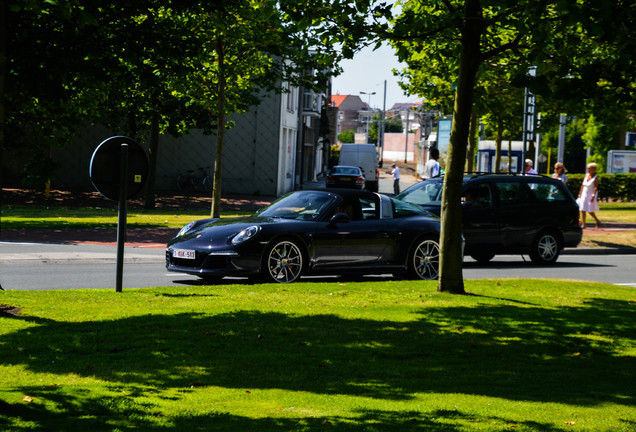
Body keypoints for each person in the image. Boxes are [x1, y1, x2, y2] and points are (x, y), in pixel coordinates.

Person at [577, 162, 601, 229]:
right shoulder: (586, 175)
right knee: (582, 209)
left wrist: (593, 195)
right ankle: (584, 224)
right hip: (584, 193)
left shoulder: (596, 177)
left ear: (593, 169)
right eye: (587, 168)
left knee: (590, 210)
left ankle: (597, 220)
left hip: (590, 193)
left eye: (589, 168)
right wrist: (580, 194)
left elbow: (596, 187)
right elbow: (582, 185)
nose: (588, 170)